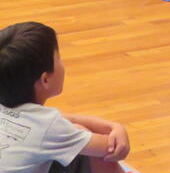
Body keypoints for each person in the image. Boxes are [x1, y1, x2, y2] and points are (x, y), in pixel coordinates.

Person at [0, 21, 131, 173]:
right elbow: (111, 148)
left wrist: (112, 127)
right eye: (58, 57)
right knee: (86, 140)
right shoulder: (49, 128)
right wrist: (118, 131)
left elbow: (65, 119)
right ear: (45, 80)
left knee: (77, 133)